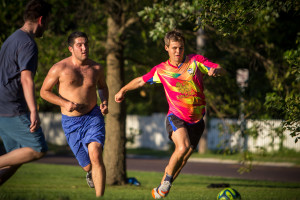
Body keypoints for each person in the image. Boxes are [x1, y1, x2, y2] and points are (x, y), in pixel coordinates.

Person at [115, 30, 226, 199]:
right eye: (174, 48)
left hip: (197, 120)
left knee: (183, 160)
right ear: (166, 48)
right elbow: (140, 80)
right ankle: (166, 181)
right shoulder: (161, 70)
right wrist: (123, 90)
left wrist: (216, 71)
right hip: (176, 116)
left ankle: (161, 189)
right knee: (182, 147)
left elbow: (218, 67)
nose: (178, 51)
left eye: (181, 48)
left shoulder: (195, 62)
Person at [40, 31, 108, 197]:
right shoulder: (59, 68)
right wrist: (64, 103)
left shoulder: (96, 68)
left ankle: (100, 196)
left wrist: (104, 102)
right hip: (71, 122)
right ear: (71, 48)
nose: (84, 48)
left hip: (93, 116)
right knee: (87, 164)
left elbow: (102, 87)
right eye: (80, 45)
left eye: (86, 44)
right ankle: (89, 172)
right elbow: (44, 92)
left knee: (96, 154)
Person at [0, 0, 51, 185]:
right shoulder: (27, 43)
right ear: (41, 20)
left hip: (2, 105)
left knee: (16, 157)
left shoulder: (11, 39)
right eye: (48, 22)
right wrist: (33, 110)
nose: (46, 27)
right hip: (12, 107)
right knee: (37, 148)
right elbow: (26, 78)